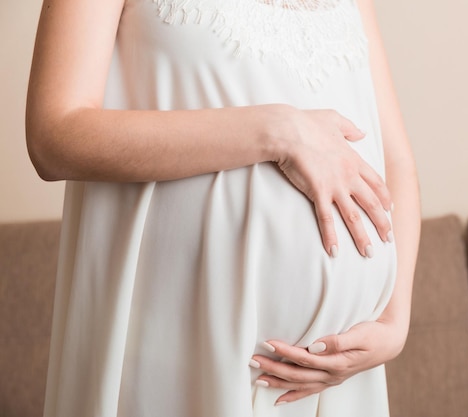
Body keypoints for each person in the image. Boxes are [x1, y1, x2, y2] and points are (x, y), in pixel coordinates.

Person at [26, 0, 420, 415]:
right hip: (175, 354)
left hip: (336, 381)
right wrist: (279, 131)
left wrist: (394, 323)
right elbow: (54, 134)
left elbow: (394, 161)